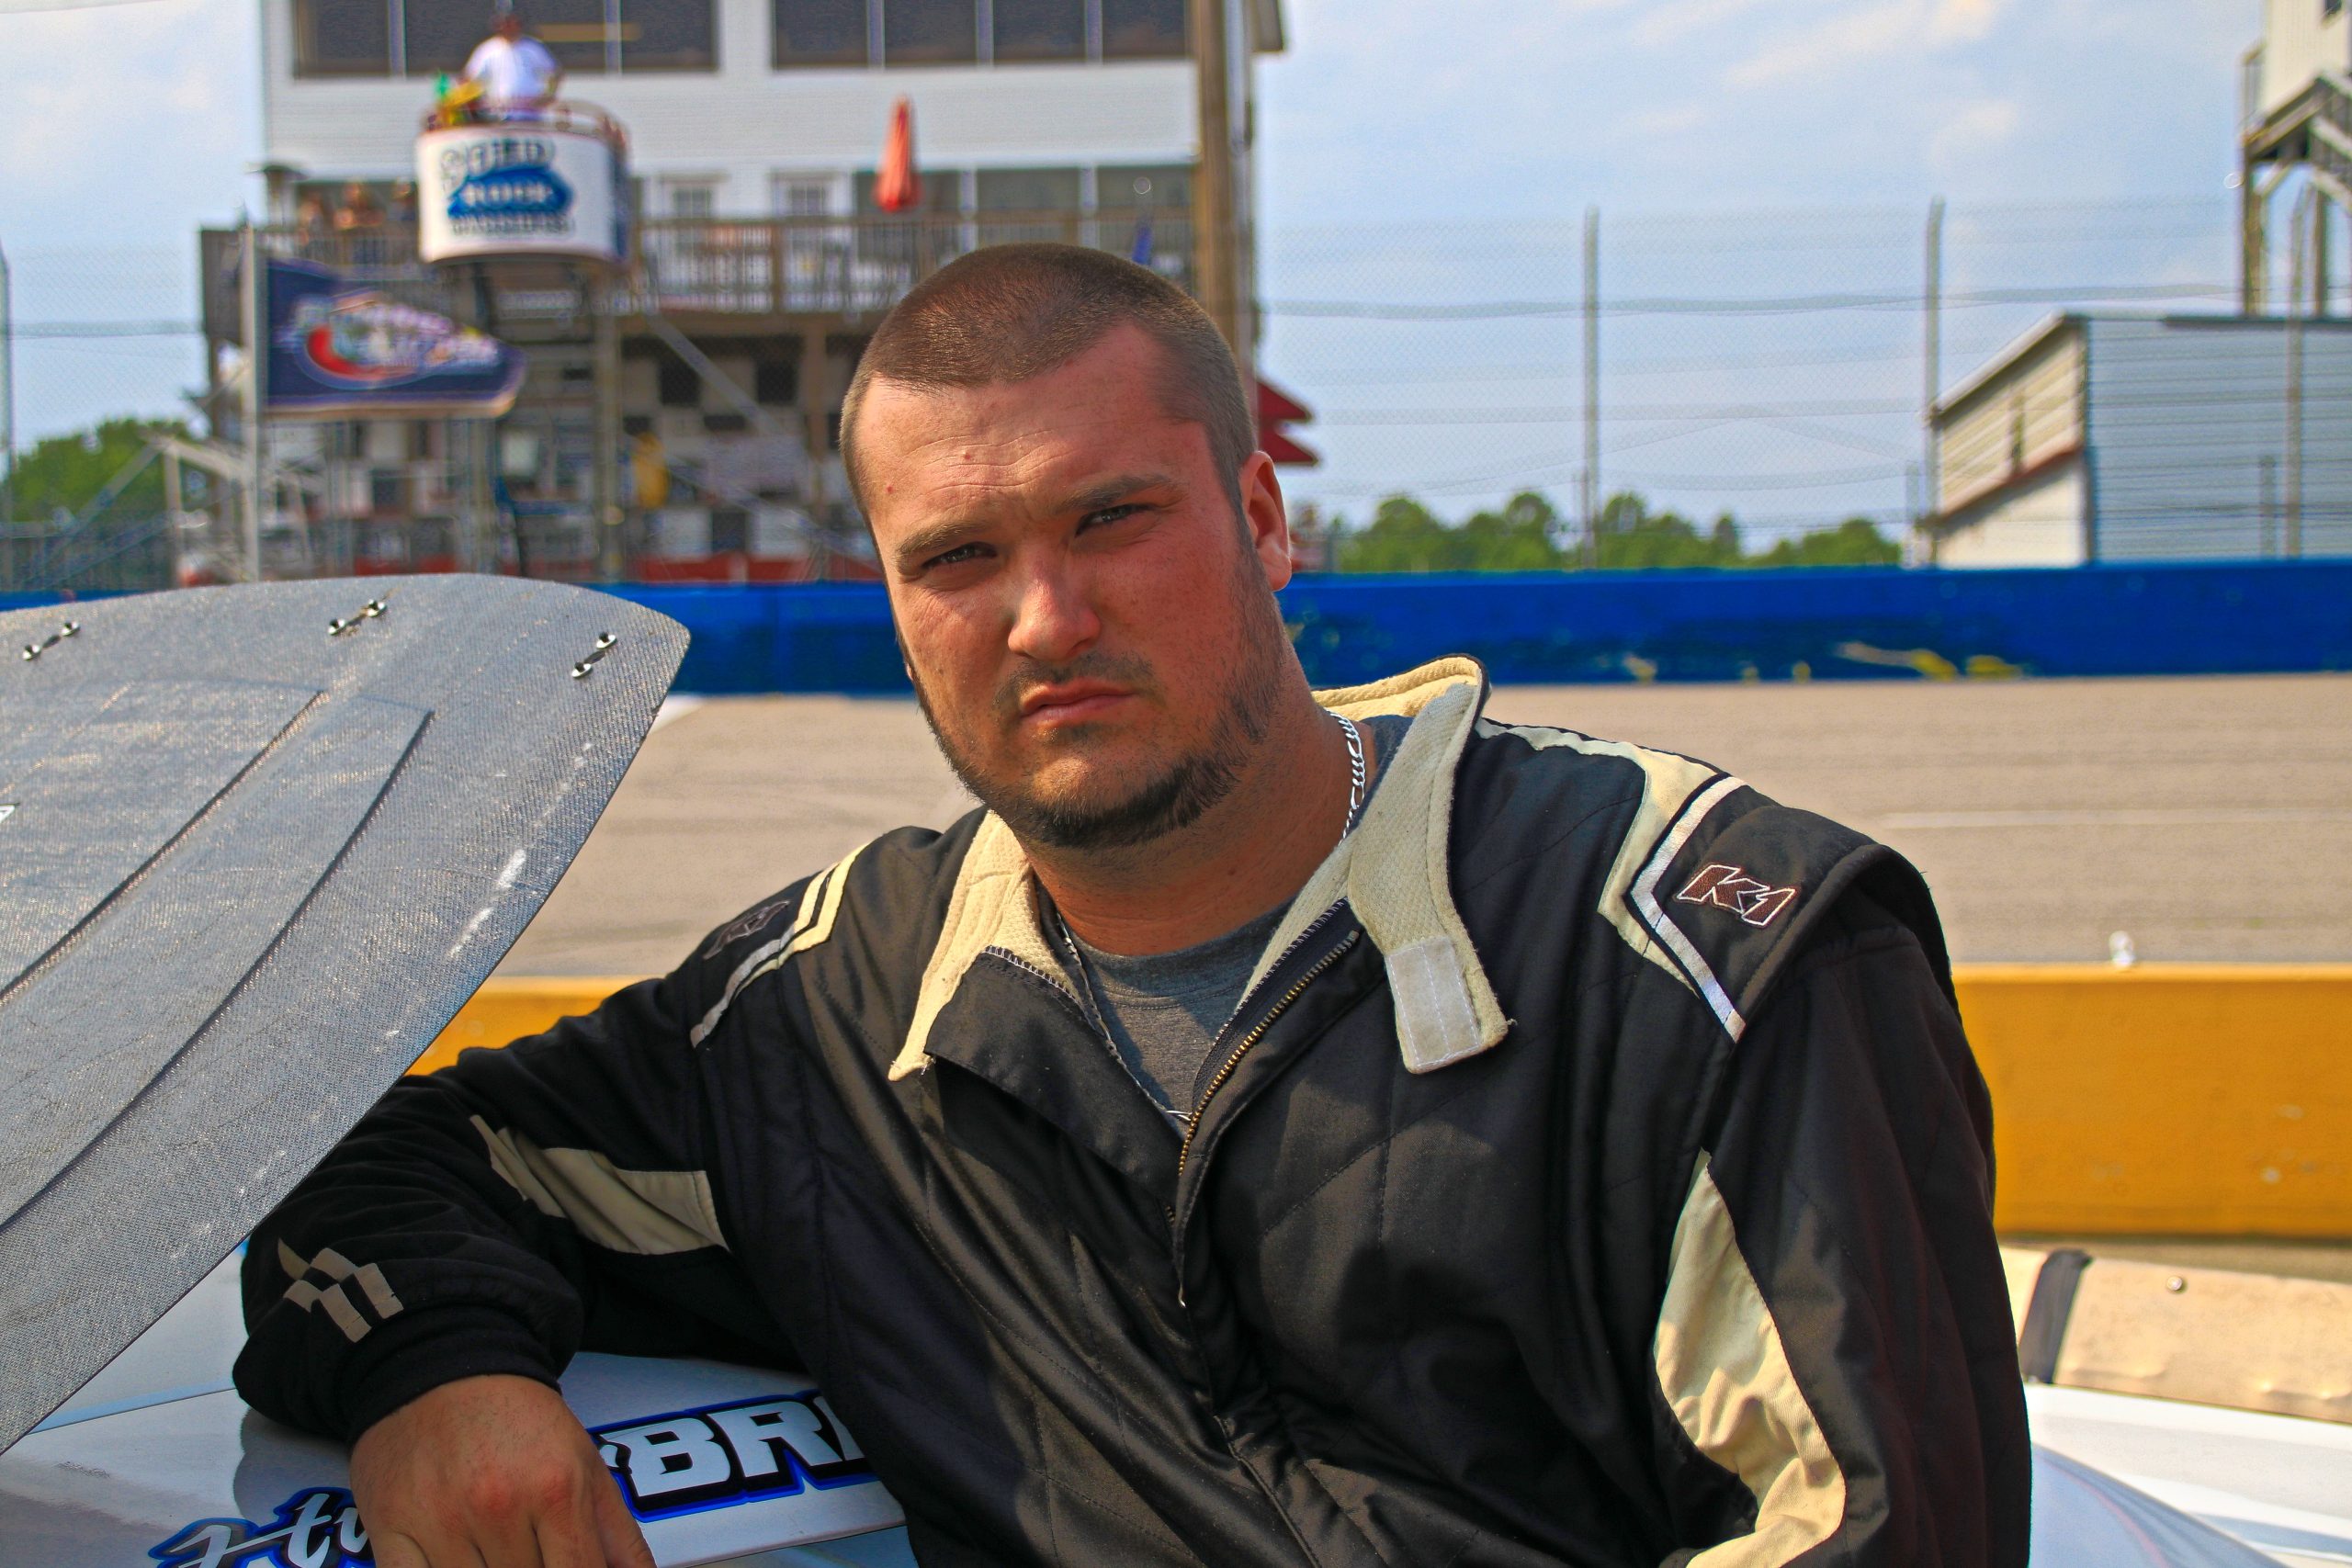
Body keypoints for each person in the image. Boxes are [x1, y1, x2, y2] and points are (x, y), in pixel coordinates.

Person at [234, 243, 2030, 1567]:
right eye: (958, 557)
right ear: (894, 605)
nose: (1045, 619)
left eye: (1110, 519)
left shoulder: (1709, 953)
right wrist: (436, 1375)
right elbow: (367, 1165)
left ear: (1261, 516)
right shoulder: (833, 1009)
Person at [462, 4, 561, 121]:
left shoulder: (533, 48)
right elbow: (469, 79)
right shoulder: (486, 50)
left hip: (529, 117)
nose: (506, 26)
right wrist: (477, 103)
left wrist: (547, 96)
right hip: (498, 117)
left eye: (510, 22)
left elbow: (554, 74)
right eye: (502, 22)